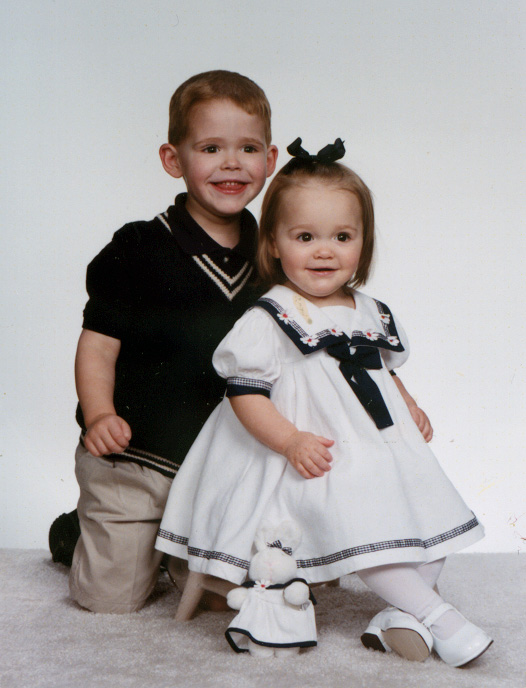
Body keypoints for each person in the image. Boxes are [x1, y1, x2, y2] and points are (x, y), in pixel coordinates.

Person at [155, 138, 492, 667]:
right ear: (273, 244)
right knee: (364, 523)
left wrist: (408, 403)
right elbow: (244, 395)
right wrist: (290, 440)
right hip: (315, 452)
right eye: (305, 237)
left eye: (342, 237)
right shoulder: (271, 316)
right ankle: (440, 618)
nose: (324, 251)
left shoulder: (370, 310)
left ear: (363, 243)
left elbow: (380, 369)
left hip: (378, 445)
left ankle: (400, 617)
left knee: (428, 515)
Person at [67, 70, 278, 614]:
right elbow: (98, 345)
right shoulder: (139, 246)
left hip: (218, 470)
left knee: (220, 599)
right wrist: (99, 414)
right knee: (110, 599)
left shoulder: (273, 256)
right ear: (172, 159)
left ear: (270, 159)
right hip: (135, 459)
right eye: (210, 148)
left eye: (248, 148)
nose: (232, 163)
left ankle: (169, 552)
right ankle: (76, 533)